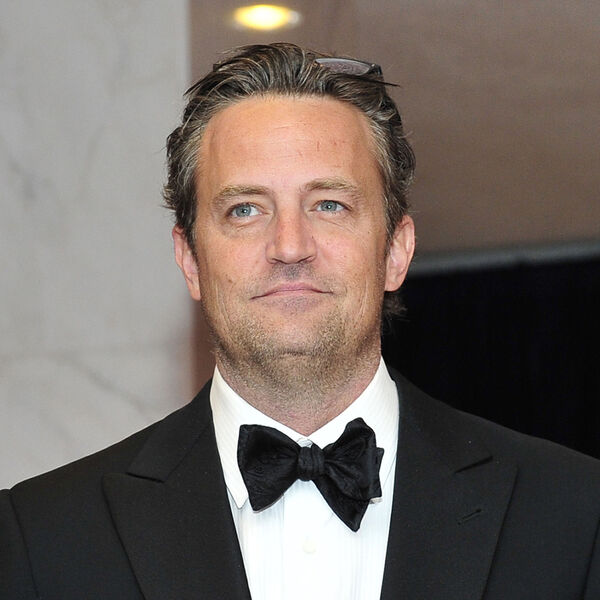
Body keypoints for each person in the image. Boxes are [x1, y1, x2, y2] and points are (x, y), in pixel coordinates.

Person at [1, 43, 599, 600]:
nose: (290, 246)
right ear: (190, 261)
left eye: (329, 204)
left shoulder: (574, 514)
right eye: (245, 209)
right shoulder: (40, 538)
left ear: (396, 251)